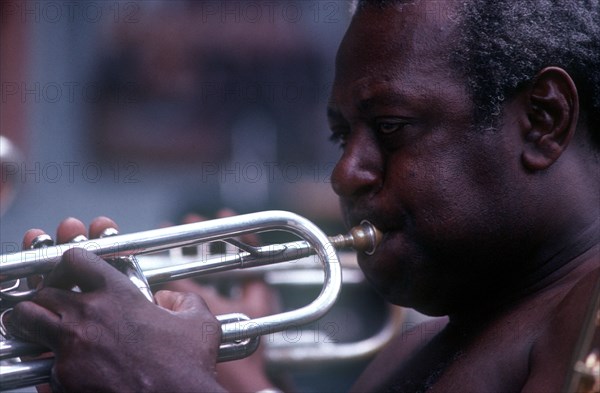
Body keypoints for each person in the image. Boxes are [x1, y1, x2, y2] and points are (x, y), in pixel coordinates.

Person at [7, 0, 599, 391]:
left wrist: (167, 382)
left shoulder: (589, 315)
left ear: (542, 121)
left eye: (391, 127)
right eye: (343, 135)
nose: (346, 172)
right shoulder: (407, 357)